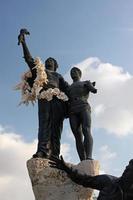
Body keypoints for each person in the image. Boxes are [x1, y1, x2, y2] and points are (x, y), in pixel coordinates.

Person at [18, 29, 69, 159]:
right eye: (48, 60)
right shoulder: (40, 71)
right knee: (43, 125)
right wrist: (24, 43)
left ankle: (55, 154)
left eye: (52, 60)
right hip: (44, 99)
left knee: (56, 128)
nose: (49, 61)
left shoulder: (58, 76)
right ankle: (42, 150)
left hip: (58, 100)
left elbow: (68, 90)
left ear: (56, 65)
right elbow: (29, 60)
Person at [49, 156, 133, 200]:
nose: (126, 172)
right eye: (126, 169)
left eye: (130, 171)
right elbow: (84, 180)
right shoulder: (108, 181)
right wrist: (67, 169)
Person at [67, 67, 97, 161]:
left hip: (83, 107)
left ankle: (89, 156)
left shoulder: (85, 82)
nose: (73, 73)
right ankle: (82, 159)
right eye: (71, 72)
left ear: (80, 73)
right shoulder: (69, 87)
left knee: (86, 130)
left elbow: (94, 90)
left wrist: (90, 85)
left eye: (75, 71)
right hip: (72, 110)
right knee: (77, 135)